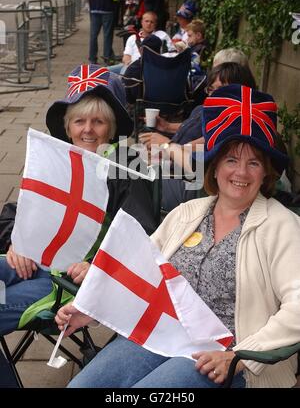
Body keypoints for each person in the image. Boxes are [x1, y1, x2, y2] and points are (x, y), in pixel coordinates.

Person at [56, 83, 300, 389]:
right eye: (231, 160)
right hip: (163, 333)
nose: (241, 173)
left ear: (266, 173)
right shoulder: (188, 213)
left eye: (253, 163)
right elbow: (137, 273)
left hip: (223, 359)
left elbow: (297, 306)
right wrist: (89, 312)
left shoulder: (282, 226)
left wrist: (238, 357)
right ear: (214, 167)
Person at [0, 65, 157, 336]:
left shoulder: (127, 167)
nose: (88, 130)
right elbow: (17, 210)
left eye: (98, 121)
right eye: (79, 121)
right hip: (30, 260)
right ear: (67, 126)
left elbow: (140, 237)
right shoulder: (60, 159)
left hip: (71, 283)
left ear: (111, 128)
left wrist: (96, 264)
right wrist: (14, 241)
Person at [139, 61, 257, 211]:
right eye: (211, 89)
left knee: (134, 180)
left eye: (221, 90)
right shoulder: (208, 112)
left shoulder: (236, 123)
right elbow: (195, 145)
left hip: (194, 189)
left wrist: (167, 146)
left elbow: (195, 161)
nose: (213, 96)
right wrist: (167, 139)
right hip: (179, 172)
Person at [87, 0, 117, 65]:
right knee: (107, 35)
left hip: (94, 9)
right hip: (107, 9)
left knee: (93, 35)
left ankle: (92, 58)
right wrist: (115, 0)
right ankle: (107, 57)